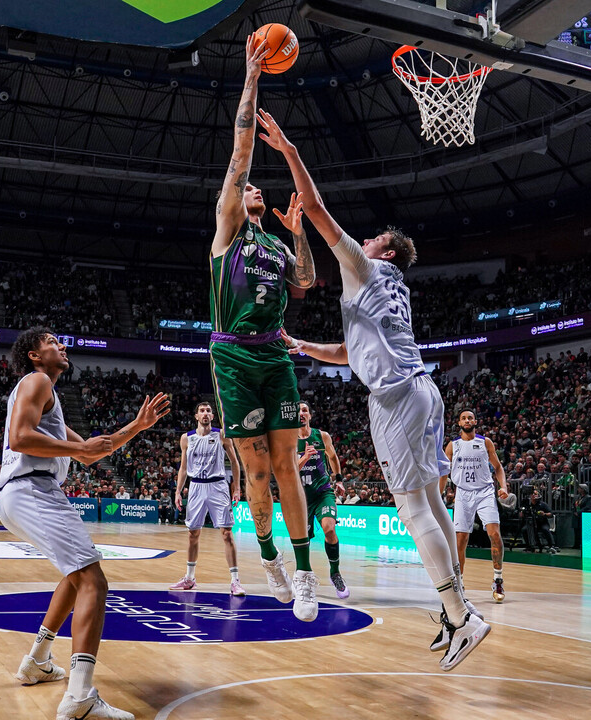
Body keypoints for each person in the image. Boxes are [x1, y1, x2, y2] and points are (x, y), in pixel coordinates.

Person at [263, 110, 489, 671]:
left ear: (384, 252)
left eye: (372, 239)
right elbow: (353, 352)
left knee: (413, 509)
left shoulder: (364, 269)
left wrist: (290, 150)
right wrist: (307, 347)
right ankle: (455, 610)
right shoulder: (393, 287)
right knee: (433, 503)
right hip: (423, 392)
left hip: (396, 401)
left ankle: (461, 616)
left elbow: (313, 208)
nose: (362, 241)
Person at [0, 328, 170, 720]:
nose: (62, 345)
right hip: (30, 489)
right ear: (34, 355)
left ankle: (38, 659)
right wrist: (77, 449)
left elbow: (93, 452)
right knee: (94, 581)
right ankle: (80, 698)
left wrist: (136, 428)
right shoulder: (37, 380)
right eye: (52, 341)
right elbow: (20, 437)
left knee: (76, 575)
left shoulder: (47, 398)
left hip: (18, 494)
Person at [209, 32, 318, 620]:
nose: (250, 186)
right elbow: (241, 149)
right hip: (231, 355)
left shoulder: (276, 244)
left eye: (253, 187)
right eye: (245, 186)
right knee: (254, 471)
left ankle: (302, 572)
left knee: (284, 466)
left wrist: (298, 232)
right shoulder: (228, 226)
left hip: (274, 355)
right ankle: (269, 554)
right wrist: (252, 78)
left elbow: (304, 279)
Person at [170, 402, 244, 596]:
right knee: (193, 534)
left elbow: (235, 462)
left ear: (212, 416)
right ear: (196, 416)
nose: (205, 413)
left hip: (218, 486)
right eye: (202, 411)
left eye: (208, 411)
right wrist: (178, 491)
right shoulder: (186, 438)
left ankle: (235, 581)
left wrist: (236, 487)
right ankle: (189, 578)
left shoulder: (222, 435)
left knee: (227, 533)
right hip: (196, 486)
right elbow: (184, 468)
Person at [441, 410, 510, 603]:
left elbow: (497, 467)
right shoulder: (452, 446)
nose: (467, 420)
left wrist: (503, 486)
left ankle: (498, 579)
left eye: (470, 417)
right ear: (459, 422)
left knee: (494, 534)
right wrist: (438, 495)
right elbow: (444, 473)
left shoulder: (485, 442)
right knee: (460, 540)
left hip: (485, 491)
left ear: (475, 422)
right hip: (463, 493)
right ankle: (459, 583)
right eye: (463, 417)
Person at [295, 402, 351, 599]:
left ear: (310, 415)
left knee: (329, 528)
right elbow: (287, 471)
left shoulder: (322, 436)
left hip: (322, 492)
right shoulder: (288, 440)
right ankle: (304, 577)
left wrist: (339, 480)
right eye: (297, 411)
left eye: (304, 410)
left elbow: (333, 457)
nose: (301, 413)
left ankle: (335, 572)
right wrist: (304, 457)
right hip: (300, 497)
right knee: (303, 540)